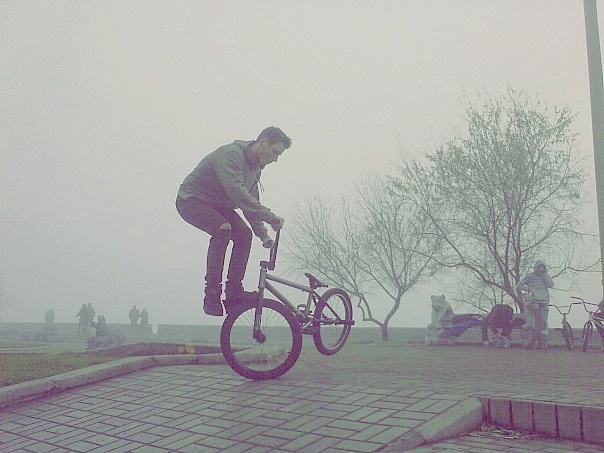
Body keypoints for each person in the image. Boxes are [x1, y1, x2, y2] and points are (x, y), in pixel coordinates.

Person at [176, 126, 291, 316]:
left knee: (244, 235)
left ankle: (234, 292)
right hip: (191, 200)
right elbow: (238, 193)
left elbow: (251, 203)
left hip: (218, 205)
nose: (275, 159)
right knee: (223, 228)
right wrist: (270, 217)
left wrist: (263, 235)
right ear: (263, 143)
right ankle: (212, 294)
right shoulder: (231, 155)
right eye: (275, 152)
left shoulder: (255, 169)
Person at [518, 260, 554, 349]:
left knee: (544, 321)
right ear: (536, 268)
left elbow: (551, 285)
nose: (541, 270)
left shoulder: (546, 276)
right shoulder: (530, 276)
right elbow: (519, 285)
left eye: (543, 268)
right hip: (534, 301)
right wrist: (528, 289)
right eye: (539, 268)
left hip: (544, 301)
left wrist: (546, 277)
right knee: (534, 322)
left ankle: (543, 341)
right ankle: (533, 340)